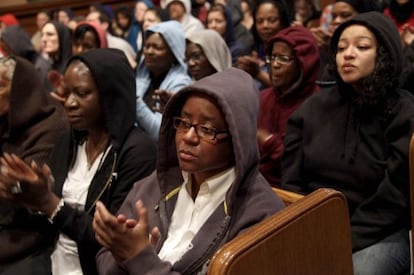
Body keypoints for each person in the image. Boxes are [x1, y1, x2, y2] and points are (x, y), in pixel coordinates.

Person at [93, 67, 284, 275]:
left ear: (238, 139)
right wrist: (122, 251)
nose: (188, 137)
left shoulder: (261, 213)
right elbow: (105, 257)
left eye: (206, 129)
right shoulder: (157, 182)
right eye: (183, 123)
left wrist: (140, 259)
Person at [0, 48, 157, 275]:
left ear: (109, 94)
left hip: (94, 267)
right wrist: (24, 191)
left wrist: (49, 203)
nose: (70, 103)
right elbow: (45, 206)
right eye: (68, 93)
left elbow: (113, 240)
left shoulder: (138, 151)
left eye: (82, 93)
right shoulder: (71, 138)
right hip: (50, 257)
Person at [282, 12, 414, 275]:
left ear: (384, 54)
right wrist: (311, 232)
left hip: (379, 231)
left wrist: (342, 239)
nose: (348, 54)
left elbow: (395, 197)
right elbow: (292, 182)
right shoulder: (312, 109)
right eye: (341, 48)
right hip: (315, 226)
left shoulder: (404, 112)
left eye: (362, 47)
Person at [0, 56, 68, 274]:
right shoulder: (5, 120)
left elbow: (24, 190)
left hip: (31, 236)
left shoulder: (51, 126)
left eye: (0, 86)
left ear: (21, 89)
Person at [258, 25, 320, 187]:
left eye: (283, 59)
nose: (275, 65)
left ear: (303, 63)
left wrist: (269, 142)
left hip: (297, 192)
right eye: (272, 57)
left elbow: (306, 165)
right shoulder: (263, 98)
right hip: (256, 186)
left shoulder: (318, 105)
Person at [136, 20, 192, 141]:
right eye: (147, 46)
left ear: (173, 54)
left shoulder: (181, 83)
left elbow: (160, 133)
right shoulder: (142, 77)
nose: (149, 52)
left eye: (157, 48)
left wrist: (135, 103)